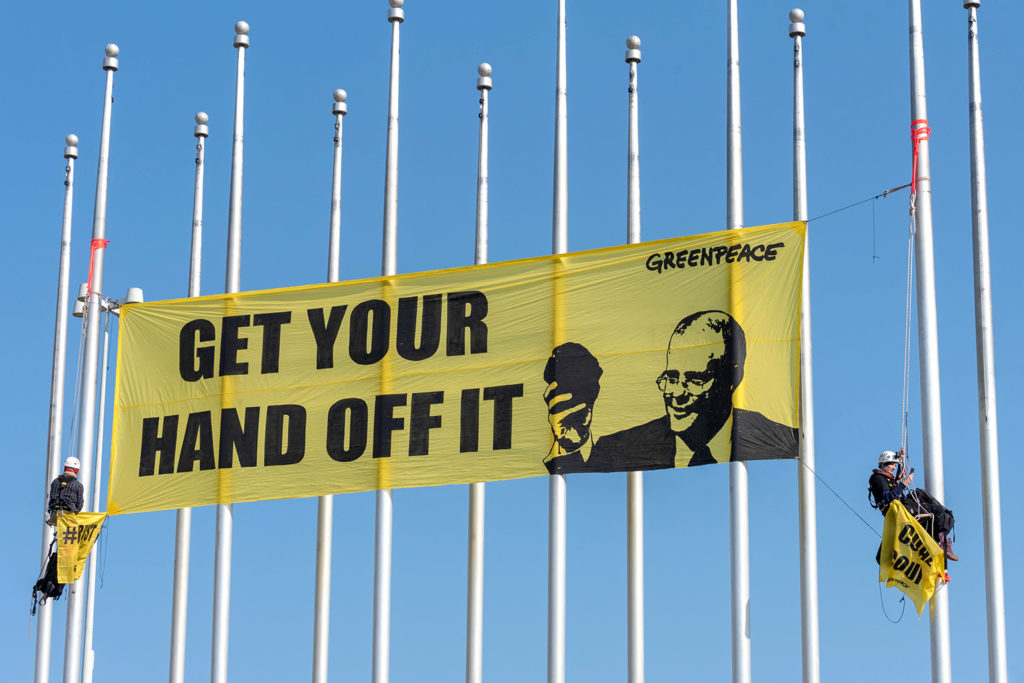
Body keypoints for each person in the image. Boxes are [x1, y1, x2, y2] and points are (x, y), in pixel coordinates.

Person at [543, 310, 798, 474]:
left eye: (695, 380)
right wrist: (569, 447)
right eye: (670, 378)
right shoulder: (618, 448)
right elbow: (589, 520)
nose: (677, 394)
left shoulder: (781, 441)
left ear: (733, 378)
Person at [869, 449, 958, 561]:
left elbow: (896, 481)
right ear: (884, 464)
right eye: (892, 464)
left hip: (901, 508)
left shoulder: (886, 478)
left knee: (920, 494)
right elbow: (887, 498)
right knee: (938, 511)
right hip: (899, 510)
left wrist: (900, 459)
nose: (894, 467)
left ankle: (937, 539)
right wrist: (904, 484)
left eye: (895, 465)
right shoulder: (879, 479)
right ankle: (942, 542)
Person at [46, 456, 84, 526]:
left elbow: (51, 499)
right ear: (76, 471)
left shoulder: (55, 482)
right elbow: (79, 505)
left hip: (54, 515)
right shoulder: (78, 485)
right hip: (68, 517)